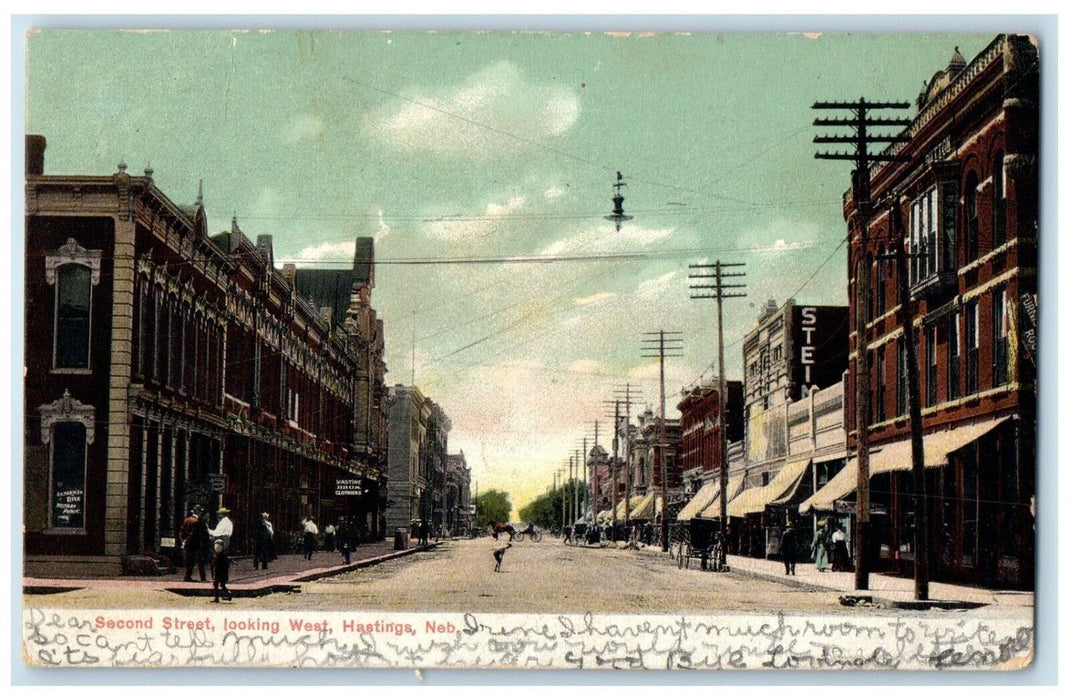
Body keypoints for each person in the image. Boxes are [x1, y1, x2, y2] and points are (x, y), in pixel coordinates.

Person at [181, 508, 208, 582]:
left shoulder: (186, 520)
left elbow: (182, 531)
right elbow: (195, 534)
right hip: (195, 544)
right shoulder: (196, 521)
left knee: (189, 560)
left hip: (187, 544)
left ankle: (188, 576)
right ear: (198, 513)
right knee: (199, 561)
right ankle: (202, 577)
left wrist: (183, 541)